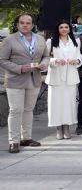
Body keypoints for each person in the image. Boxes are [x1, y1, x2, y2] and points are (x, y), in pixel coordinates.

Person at [0, 14, 50, 153]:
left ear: (32, 25)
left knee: (28, 110)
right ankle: (13, 141)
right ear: (17, 25)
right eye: (22, 23)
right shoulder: (9, 40)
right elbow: (2, 60)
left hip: (34, 79)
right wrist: (19, 68)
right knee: (16, 110)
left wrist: (44, 64)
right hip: (15, 80)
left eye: (28, 23)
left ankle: (26, 138)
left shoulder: (40, 39)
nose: (25, 25)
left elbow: (46, 55)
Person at [45, 21, 81, 140]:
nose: (64, 29)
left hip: (70, 77)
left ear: (70, 29)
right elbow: (45, 59)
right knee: (56, 104)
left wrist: (76, 61)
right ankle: (58, 129)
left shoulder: (76, 42)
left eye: (66, 27)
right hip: (56, 77)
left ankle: (66, 128)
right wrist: (55, 61)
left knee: (69, 104)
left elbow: (79, 57)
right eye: (61, 27)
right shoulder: (50, 42)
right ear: (58, 29)